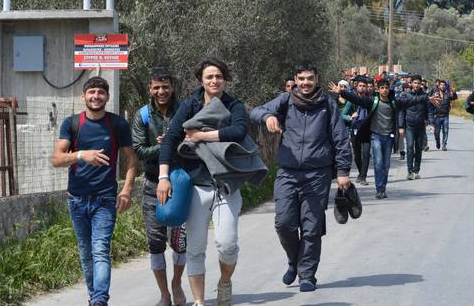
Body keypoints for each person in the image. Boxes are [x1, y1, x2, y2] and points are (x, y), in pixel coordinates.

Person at [251, 62, 352, 292]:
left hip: (318, 174)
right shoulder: (286, 100)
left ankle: (307, 275)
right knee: (284, 223)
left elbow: (340, 137)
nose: (305, 82)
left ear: (317, 79)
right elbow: (255, 111)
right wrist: (267, 116)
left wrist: (343, 172)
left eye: (310, 78)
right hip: (287, 172)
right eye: (301, 78)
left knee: (311, 227)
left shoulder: (327, 104)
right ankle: (293, 261)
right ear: (295, 80)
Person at [157, 58, 248, 306]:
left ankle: (225, 281)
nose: (214, 81)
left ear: (225, 79)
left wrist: (200, 136)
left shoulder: (234, 105)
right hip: (196, 186)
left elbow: (238, 131)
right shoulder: (190, 105)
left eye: (218, 76)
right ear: (202, 80)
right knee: (195, 248)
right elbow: (170, 139)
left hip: (226, 185)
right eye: (209, 77)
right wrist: (163, 177)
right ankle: (199, 301)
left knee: (227, 244)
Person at [52, 76, 138, 306]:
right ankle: (94, 298)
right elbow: (57, 159)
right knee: (85, 253)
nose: (96, 96)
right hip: (76, 200)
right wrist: (81, 155)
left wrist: (127, 189)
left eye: (101, 92)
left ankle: (100, 300)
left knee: (100, 250)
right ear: (84, 97)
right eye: (91, 92)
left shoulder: (117, 124)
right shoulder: (72, 123)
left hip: (105, 199)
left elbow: (131, 159)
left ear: (107, 97)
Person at [131, 68, 187, 306]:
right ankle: (164, 293)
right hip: (153, 185)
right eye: (156, 87)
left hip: (180, 185)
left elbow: (195, 139)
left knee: (180, 242)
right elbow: (138, 150)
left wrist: (175, 143)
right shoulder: (142, 115)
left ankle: (177, 282)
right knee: (155, 243)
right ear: (150, 88)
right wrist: (162, 147)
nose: (161, 91)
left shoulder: (185, 110)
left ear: (172, 87)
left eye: (165, 86)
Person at [330, 78, 429, 199]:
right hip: (375, 136)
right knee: (378, 163)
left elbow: (410, 100)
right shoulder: (372, 101)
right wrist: (342, 92)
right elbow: (357, 99)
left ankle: (383, 189)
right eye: (382, 88)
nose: (385, 90)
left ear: (389, 89)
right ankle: (379, 189)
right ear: (378, 89)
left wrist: (426, 98)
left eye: (386, 88)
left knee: (386, 165)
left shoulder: (394, 102)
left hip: (389, 138)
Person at [397, 75, 433, 179]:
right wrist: (400, 126)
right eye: (415, 83)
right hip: (409, 126)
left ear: (421, 84)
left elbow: (429, 110)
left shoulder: (425, 96)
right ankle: (410, 171)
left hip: (420, 126)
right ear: (411, 83)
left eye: (418, 83)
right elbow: (401, 111)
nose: (417, 85)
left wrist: (429, 122)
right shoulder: (405, 95)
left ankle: (416, 170)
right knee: (409, 147)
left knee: (418, 148)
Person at [345, 76, 372, 185]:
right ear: (356, 87)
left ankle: (363, 177)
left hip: (368, 130)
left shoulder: (371, 100)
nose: (362, 88)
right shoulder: (351, 100)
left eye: (364, 86)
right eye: (360, 86)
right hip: (355, 130)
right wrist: (350, 117)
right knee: (357, 155)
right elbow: (341, 114)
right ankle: (361, 173)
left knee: (366, 153)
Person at [430, 80, 458, 151]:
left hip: (445, 116)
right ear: (439, 86)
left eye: (444, 85)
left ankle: (444, 145)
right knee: (436, 132)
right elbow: (430, 103)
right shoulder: (435, 94)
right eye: (441, 85)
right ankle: (438, 142)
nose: (443, 86)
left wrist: (454, 92)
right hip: (437, 116)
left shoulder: (448, 94)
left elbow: (454, 98)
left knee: (445, 131)